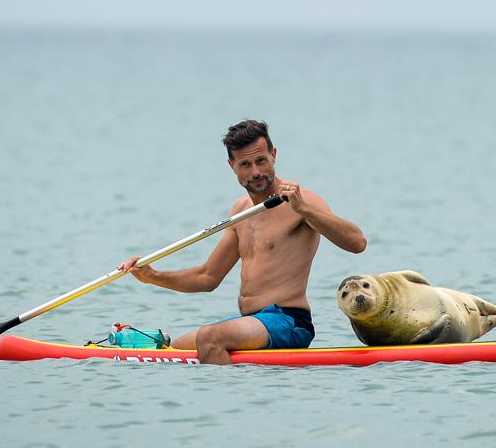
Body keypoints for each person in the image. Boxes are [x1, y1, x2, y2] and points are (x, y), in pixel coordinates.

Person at [118, 120, 367, 364]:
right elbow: (207, 277)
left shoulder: (302, 201)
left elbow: (357, 243)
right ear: (232, 166)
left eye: (261, 161)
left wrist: (305, 210)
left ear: (274, 154)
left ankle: (228, 404)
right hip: (252, 322)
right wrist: (152, 275)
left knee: (210, 338)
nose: (256, 172)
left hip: (288, 321)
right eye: (245, 164)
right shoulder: (240, 211)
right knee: (169, 350)